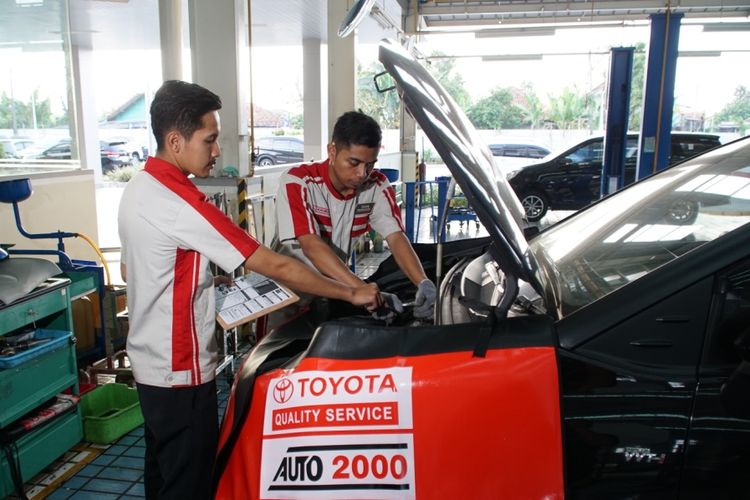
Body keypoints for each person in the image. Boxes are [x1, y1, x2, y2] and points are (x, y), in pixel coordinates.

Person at [117, 81, 380, 500]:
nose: (217, 150)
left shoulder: (138, 189)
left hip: (149, 368)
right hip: (181, 371)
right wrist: (351, 293)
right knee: (191, 484)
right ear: (175, 140)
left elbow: (137, 267)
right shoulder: (179, 199)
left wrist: (205, 281)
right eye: (210, 139)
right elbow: (272, 262)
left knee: (163, 474)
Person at [271, 110, 436, 328]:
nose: (362, 173)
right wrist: (362, 290)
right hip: (286, 297)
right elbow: (311, 246)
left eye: (370, 164)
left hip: (334, 291)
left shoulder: (376, 186)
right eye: (354, 162)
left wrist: (422, 281)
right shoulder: (299, 182)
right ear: (332, 151)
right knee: (277, 357)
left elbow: (396, 237)